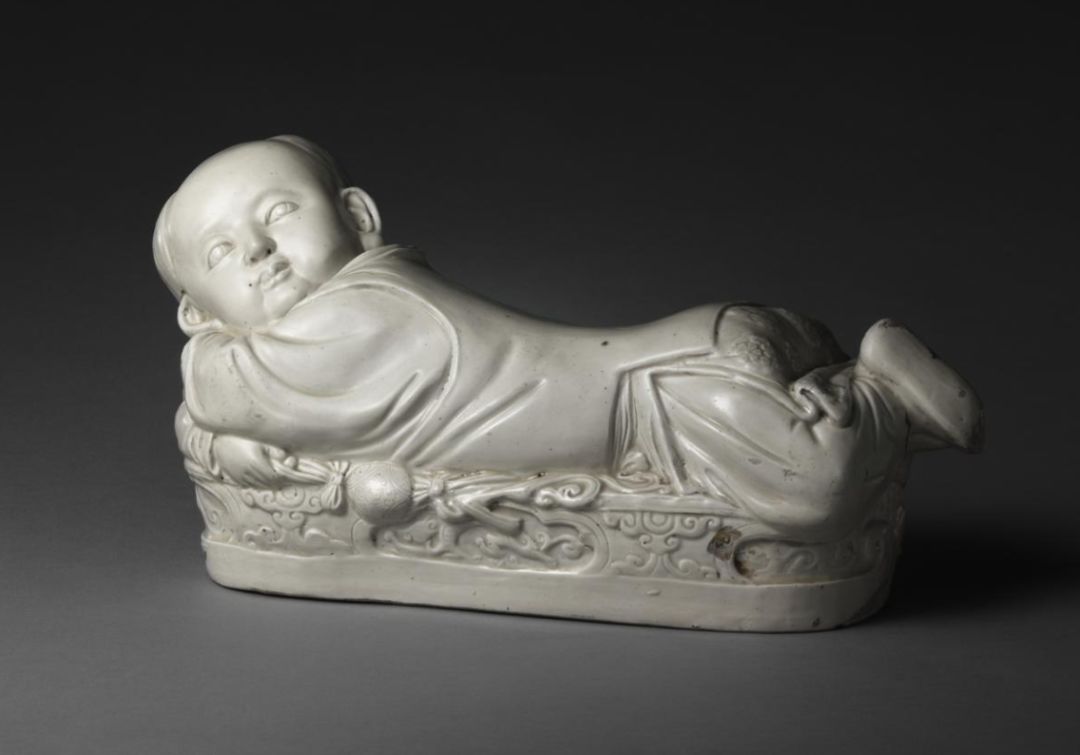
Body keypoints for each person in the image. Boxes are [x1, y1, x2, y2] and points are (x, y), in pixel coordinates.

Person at [155, 136, 983, 541]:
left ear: (359, 218)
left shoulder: (364, 311)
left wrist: (212, 424)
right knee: (809, 465)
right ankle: (835, 386)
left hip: (666, 393)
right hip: (695, 355)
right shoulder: (360, 313)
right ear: (197, 306)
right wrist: (219, 439)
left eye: (279, 213)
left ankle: (880, 392)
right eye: (222, 253)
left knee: (816, 491)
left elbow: (225, 392)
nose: (258, 250)